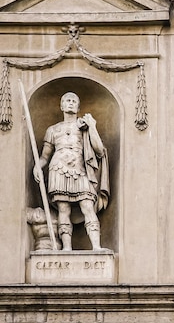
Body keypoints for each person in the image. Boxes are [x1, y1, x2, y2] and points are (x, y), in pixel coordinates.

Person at [33, 92, 109, 251]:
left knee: (88, 206)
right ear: (61, 106)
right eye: (67, 100)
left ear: (78, 107)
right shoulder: (53, 130)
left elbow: (100, 150)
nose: (71, 103)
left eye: (74, 101)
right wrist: (37, 167)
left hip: (80, 169)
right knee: (63, 208)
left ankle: (96, 246)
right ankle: (66, 248)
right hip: (58, 169)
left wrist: (92, 126)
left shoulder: (84, 126)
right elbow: (45, 156)